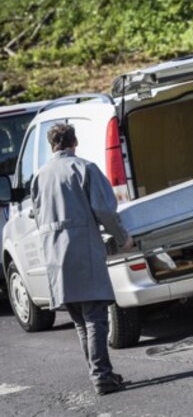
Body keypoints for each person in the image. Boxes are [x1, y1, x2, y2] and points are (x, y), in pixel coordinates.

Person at [31, 123, 134, 396]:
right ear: (74, 142)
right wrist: (123, 237)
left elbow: (38, 215)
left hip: (54, 255)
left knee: (80, 319)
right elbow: (104, 209)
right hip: (82, 249)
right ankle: (102, 376)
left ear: (51, 145)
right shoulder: (84, 168)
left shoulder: (39, 176)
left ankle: (100, 373)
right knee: (95, 316)